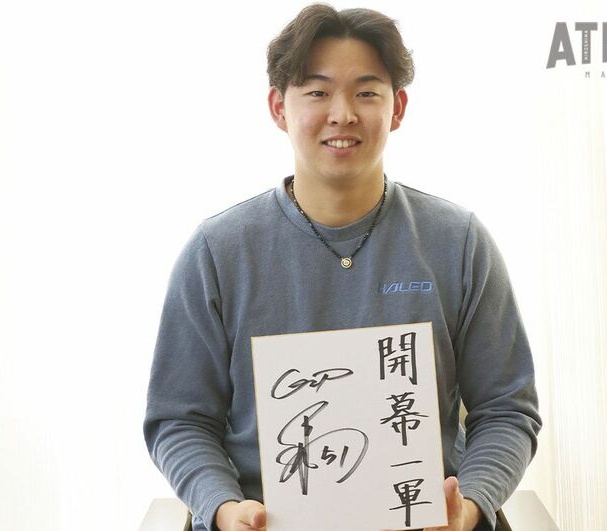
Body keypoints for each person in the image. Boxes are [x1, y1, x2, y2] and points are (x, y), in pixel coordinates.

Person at [143, 4, 542, 531]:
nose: (342, 114)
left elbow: (507, 409)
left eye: (366, 93)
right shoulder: (216, 252)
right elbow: (178, 419)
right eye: (317, 92)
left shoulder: (458, 242)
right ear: (279, 108)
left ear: (397, 108)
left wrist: (469, 505)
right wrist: (222, 506)